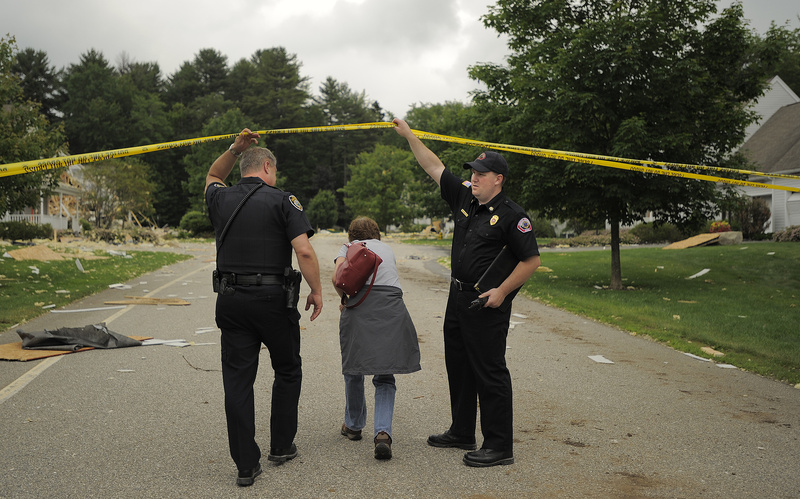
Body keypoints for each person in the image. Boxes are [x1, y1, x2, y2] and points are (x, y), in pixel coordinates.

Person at [393, 118, 541, 467]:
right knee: (458, 364)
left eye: (480, 173)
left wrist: (502, 292)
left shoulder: (512, 216)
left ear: (498, 179)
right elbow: (433, 166)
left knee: (489, 370)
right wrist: (410, 136)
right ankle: (461, 430)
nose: (473, 177)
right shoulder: (464, 196)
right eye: (472, 172)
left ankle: (500, 445)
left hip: (487, 302)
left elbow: (531, 260)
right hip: (457, 297)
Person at [205, 129, 323, 486]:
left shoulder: (221, 199)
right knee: (287, 369)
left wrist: (233, 149)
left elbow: (212, 176)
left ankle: (245, 464)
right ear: (268, 166)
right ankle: (282, 445)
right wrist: (317, 290)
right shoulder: (283, 199)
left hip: (231, 301)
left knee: (238, 381)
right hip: (274, 301)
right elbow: (303, 250)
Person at [332, 216, 421, 460]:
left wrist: (344, 299)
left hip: (360, 309)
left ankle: (353, 424)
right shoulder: (388, 249)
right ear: (377, 233)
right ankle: (382, 432)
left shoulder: (349, 248)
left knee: (354, 369)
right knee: (385, 373)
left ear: (352, 235)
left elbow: (337, 278)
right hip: (391, 308)